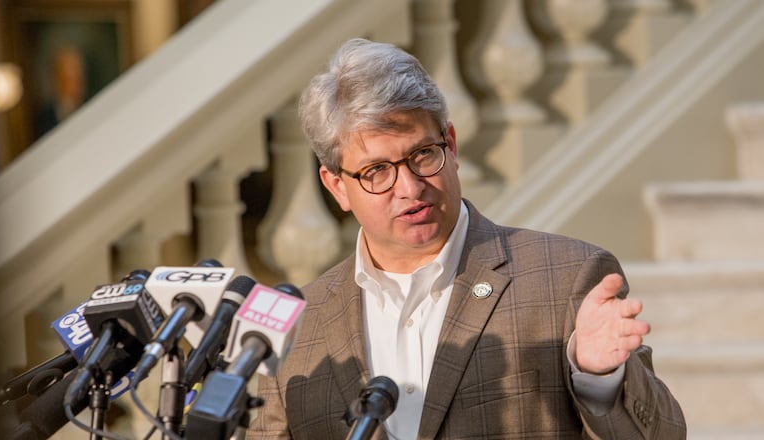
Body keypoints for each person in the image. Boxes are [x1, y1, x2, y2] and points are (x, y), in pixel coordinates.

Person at [246, 38, 686, 439]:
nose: (410, 187)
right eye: (377, 171)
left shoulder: (567, 277)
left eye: (423, 155)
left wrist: (598, 380)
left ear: (451, 146)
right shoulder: (293, 328)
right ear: (337, 186)